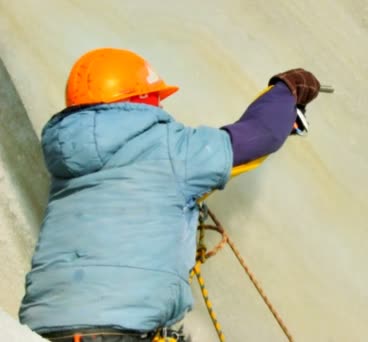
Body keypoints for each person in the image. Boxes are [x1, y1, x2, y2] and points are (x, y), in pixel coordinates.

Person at [18, 48, 320, 341]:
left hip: (41, 327)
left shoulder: (67, 163)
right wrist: (287, 89)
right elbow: (259, 135)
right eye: (157, 98)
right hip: (120, 330)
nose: (161, 106)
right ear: (139, 99)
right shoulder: (172, 150)